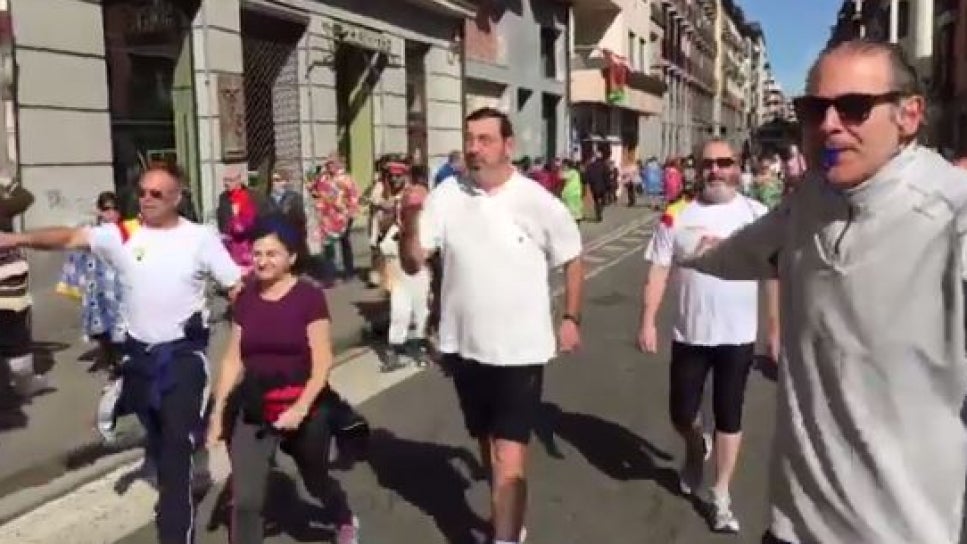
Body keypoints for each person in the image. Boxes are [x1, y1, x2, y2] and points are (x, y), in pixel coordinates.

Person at [683, 40, 967, 544]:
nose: (829, 124)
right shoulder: (810, 198)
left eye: (855, 107)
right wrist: (686, 244)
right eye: (813, 109)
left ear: (910, 115)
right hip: (793, 525)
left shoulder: (953, 219)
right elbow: (739, 252)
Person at [0, 165, 243, 544]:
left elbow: (235, 284)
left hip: (183, 358)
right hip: (139, 361)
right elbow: (67, 237)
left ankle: (175, 525)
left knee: (174, 454)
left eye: (156, 194)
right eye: (142, 192)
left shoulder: (200, 238)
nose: (145, 199)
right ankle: (173, 459)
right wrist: (15, 237)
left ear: (177, 198)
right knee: (159, 437)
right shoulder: (123, 234)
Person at [399, 107, 584, 544]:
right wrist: (409, 218)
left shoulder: (535, 199)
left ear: (508, 146)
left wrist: (572, 317)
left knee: (509, 455)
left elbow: (573, 256)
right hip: (464, 347)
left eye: (485, 139)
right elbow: (412, 262)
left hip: (521, 350)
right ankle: (508, 520)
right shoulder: (447, 194)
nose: (474, 148)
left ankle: (504, 536)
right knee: (487, 445)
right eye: (470, 139)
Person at [639, 139, 779, 534]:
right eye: (708, 164)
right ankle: (694, 447)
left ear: (738, 166)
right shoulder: (675, 215)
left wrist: (774, 329)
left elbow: (772, 274)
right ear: (697, 169)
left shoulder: (758, 214)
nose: (715, 170)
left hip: (737, 336)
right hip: (691, 333)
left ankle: (721, 495)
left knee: (729, 415)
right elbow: (658, 270)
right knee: (682, 413)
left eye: (724, 162)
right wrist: (648, 319)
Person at [207, 215, 359, 544]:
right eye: (257, 253)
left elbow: (322, 363)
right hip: (255, 405)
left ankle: (342, 515)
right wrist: (218, 414)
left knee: (315, 477)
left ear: (291, 258)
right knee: (246, 499)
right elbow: (233, 358)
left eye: (271, 254)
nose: (262, 261)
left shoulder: (309, 298)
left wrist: (301, 409)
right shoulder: (245, 298)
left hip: (302, 403)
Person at [56, 191, 132, 371]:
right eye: (106, 209)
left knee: (120, 324)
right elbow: (76, 253)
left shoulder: (126, 231)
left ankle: (120, 362)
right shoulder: (91, 232)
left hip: (119, 287)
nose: (111, 213)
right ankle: (110, 359)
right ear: (99, 211)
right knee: (101, 326)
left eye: (114, 209)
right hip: (97, 286)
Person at [0, 175, 47, 398]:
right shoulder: (3, 207)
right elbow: (26, 197)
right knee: (16, 339)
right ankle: (21, 387)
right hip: (9, 293)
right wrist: (7, 181)